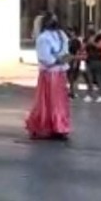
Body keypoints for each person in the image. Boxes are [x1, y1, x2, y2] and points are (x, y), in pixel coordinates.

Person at [26, 12, 71, 140]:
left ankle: (58, 126)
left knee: (56, 102)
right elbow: (45, 57)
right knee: (51, 102)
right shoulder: (45, 37)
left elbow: (61, 52)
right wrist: (58, 60)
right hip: (50, 74)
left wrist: (62, 59)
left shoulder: (60, 35)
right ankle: (50, 126)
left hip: (57, 73)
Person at [84, 32, 101, 103]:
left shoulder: (99, 38)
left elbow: (100, 46)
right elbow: (84, 47)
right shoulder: (87, 41)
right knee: (89, 79)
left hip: (98, 61)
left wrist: (92, 42)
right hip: (89, 61)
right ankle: (89, 95)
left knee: (99, 78)